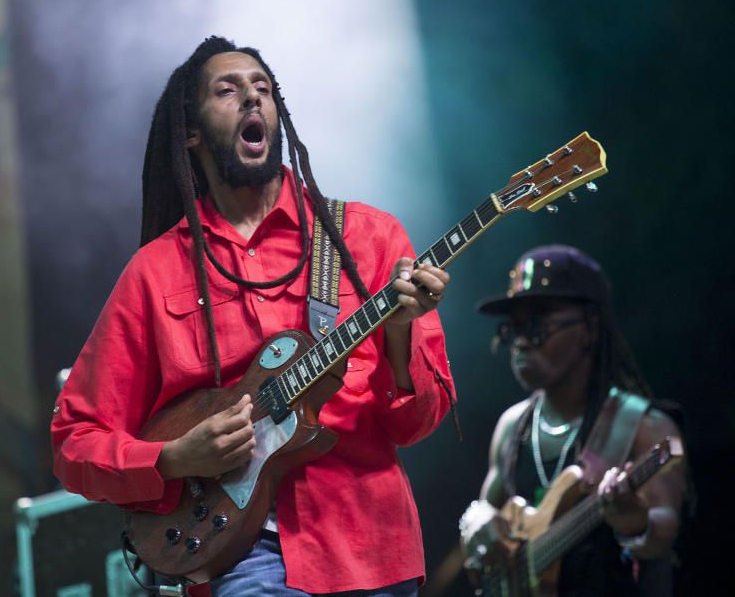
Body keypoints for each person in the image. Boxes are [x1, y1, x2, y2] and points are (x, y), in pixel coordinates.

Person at [50, 36, 457, 596]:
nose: (251, 99)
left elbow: (417, 424)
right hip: (241, 556)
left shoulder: (368, 238)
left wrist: (397, 332)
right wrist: (170, 459)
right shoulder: (155, 272)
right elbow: (75, 441)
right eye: (228, 90)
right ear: (190, 133)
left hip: (368, 543)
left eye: (263, 89)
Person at [461, 244, 688, 596]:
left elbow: (665, 529)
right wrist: (476, 523)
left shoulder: (645, 427)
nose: (520, 342)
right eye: (512, 329)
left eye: (535, 326)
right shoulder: (513, 426)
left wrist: (635, 523)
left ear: (589, 328)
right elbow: (486, 515)